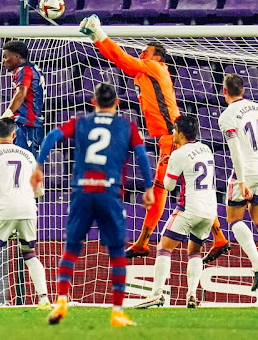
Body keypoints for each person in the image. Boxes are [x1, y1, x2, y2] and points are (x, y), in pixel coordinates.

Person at [78, 14, 230, 263]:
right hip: (168, 138)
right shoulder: (144, 73)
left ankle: (143, 243)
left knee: (161, 191)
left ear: (157, 57)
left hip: (173, 138)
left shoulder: (156, 67)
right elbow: (121, 62)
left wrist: (100, 33)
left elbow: (122, 57)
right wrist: (97, 39)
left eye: (145, 52)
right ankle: (217, 238)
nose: (141, 55)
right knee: (188, 190)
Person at [31, 83, 154, 328]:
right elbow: (141, 155)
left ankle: (62, 301)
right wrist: (148, 187)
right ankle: (117, 312)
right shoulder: (128, 127)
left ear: (93, 102)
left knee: (72, 246)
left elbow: (52, 136)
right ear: (117, 102)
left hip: (82, 191)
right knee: (117, 251)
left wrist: (38, 166)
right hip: (109, 192)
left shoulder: (80, 122)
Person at [0, 117, 51, 311]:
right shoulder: (28, 155)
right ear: (14, 134)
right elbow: (40, 190)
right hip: (29, 207)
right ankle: (44, 298)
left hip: (5, 208)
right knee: (30, 254)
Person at [134, 115, 217, 309]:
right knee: (195, 251)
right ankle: (191, 296)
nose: (171, 134)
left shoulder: (178, 154)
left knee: (164, 246)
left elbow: (169, 186)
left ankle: (156, 294)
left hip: (190, 208)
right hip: (209, 210)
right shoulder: (206, 149)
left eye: (173, 131)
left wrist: (167, 163)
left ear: (180, 134)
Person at [218, 74, 258, 294]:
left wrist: (242, 179)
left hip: (245, 172)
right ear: (243, 90)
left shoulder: (227, 116)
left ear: (224, 91)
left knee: (234, 219)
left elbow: (235, 150)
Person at [0, 40, 45, 154]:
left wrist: (8, 112)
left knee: (23, 161)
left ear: (16, 56)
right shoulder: (34, 68)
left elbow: (21, 93)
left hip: (26, 124)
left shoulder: (24, 70)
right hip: (33, 123)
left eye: (5, 57)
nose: (3, 61)